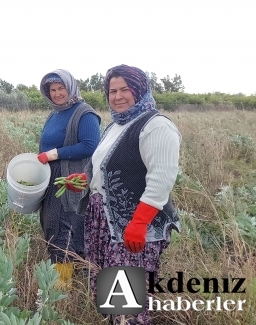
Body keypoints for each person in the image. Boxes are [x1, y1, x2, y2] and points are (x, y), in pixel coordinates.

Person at [66, 64, 181, 324]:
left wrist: (139, 223)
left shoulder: (156, 126)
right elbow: (105, 166)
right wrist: (84, 181)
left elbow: (160, 180)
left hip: (133, 225)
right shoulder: (116, 125)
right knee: (113, 295)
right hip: (105, 221)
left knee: (128, 303)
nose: (117, 96)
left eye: (125, 90)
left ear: (139, 90)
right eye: (112, 90)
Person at [35, 69, 101, 288]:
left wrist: (53, 154)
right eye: (52, 90)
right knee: (51, 225)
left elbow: (90, 145)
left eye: (61, 88)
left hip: (70, 179)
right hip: (52, 177)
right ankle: (65, 278)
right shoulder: (54, 113)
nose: (57, 94)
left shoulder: (85, 113)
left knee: (66, 228)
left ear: (71, 87)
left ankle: (62, 285)